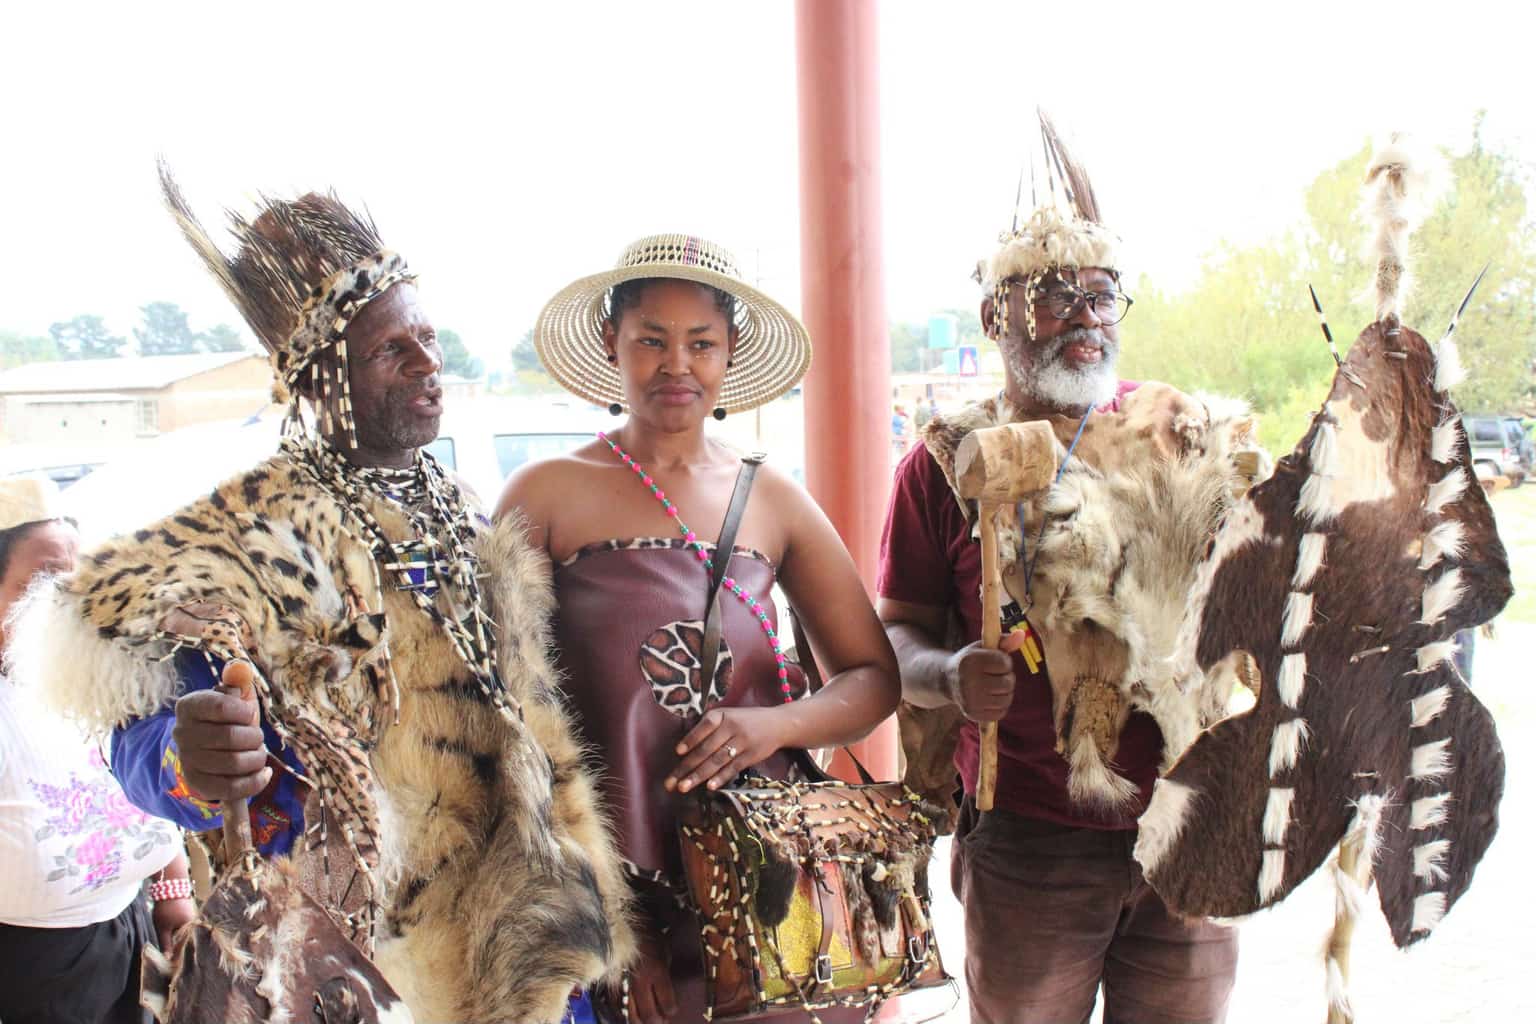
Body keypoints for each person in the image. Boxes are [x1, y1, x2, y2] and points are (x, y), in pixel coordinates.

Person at [10, 172, 632, 1023]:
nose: (429, 364)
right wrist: (185, 759)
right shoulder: (242, 541)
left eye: (426, 336)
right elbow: (141, 746)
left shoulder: (461, 516)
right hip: (358, 971)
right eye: (390, 350)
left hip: (529, 957)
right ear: (319, 377)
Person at [876, 125, 1239, 1022]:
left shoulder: (1178, 432)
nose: (1083, 315)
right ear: (996, 318)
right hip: (1030, 842)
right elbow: (896, 633)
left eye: (1101, 296)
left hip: (1189, 824)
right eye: (1050, 296)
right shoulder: (946, 462)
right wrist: (950, 676)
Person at [498, 233, 902, 1023]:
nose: (675, 364)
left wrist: (772, 726)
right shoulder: (544, 494)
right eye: (650, 339)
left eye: (701, 343)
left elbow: (873, 677)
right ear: (612, 344)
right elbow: (506, 718)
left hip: (765, 879)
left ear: (730, 354)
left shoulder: (774, 499)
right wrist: (612, 920)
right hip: (608, 882)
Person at [0, 477, 194, 1024]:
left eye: (73, 580)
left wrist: (173, 894)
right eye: (40, 584)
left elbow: (147, 792)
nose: (64, 602)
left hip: (134, 938)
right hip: (33, 976)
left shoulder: (98, 679)